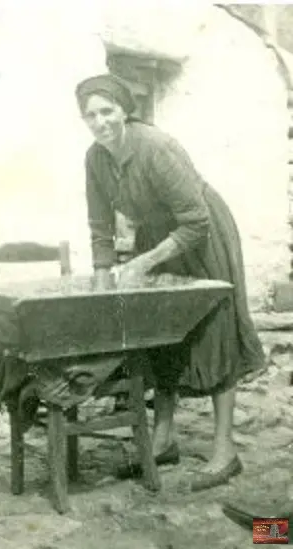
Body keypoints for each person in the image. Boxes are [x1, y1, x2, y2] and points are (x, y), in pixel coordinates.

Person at [75, 73, 265, 491]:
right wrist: (103, 284)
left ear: (124, 110)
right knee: (160, 334)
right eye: (91, 115)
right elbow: (99, 227)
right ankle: (162, 441)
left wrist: (143, 262)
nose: (100, 122)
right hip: (157, 238)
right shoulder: (95, 159)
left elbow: (195, 221)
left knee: (214, 334)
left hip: (202, 236)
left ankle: (225, 451)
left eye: (107, 111)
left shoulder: (156, 148)